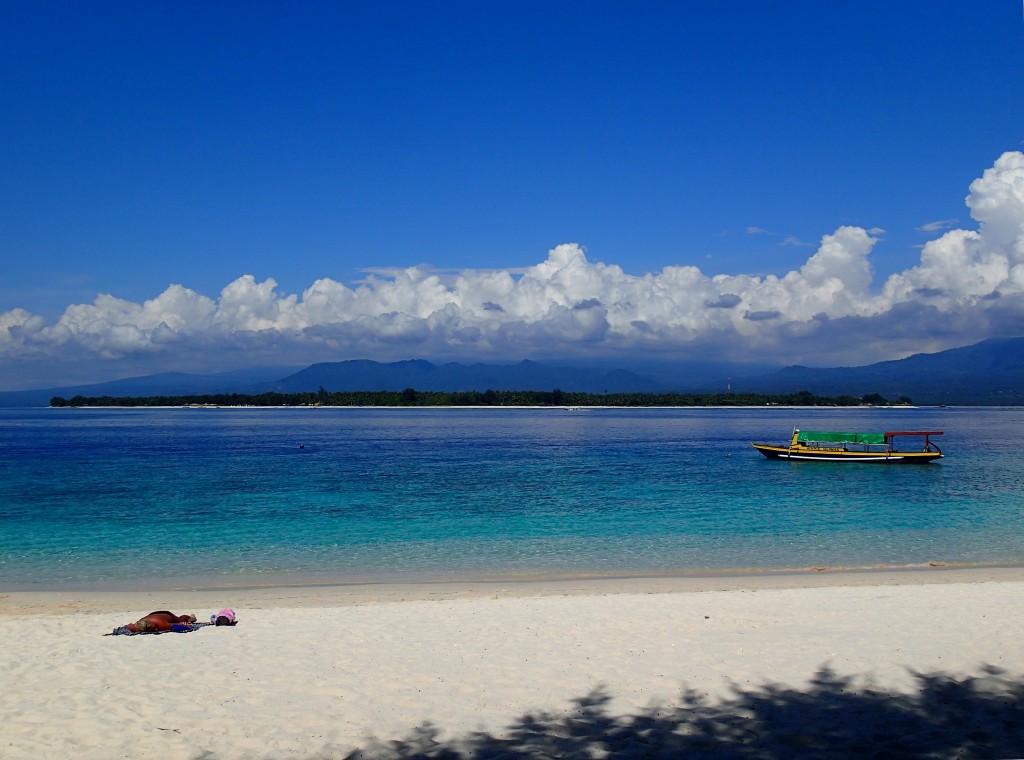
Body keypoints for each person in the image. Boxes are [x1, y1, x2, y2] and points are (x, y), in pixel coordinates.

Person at [127, 611, 197, 633]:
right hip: (153, 615)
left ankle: (191, 618)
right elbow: (129, 625)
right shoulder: (138, 625)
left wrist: (183, 625)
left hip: (167, 615)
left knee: (180, 619)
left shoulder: (161, 625)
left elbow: (179, 624)